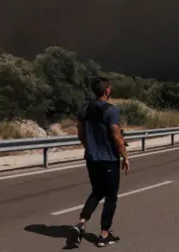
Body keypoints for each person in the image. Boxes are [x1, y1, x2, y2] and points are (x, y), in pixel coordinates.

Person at [69, 77, 130, 248]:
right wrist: (125, 156)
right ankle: (104, 234)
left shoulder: (84, 110)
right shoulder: (111, 111)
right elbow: (117, 137)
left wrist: (90, 148)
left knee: (96, 192)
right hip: (108, 160)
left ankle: (80, 224)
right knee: (111, 197)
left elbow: (80, 134)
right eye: (109, 88)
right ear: (107, 91)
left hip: (91, 159)